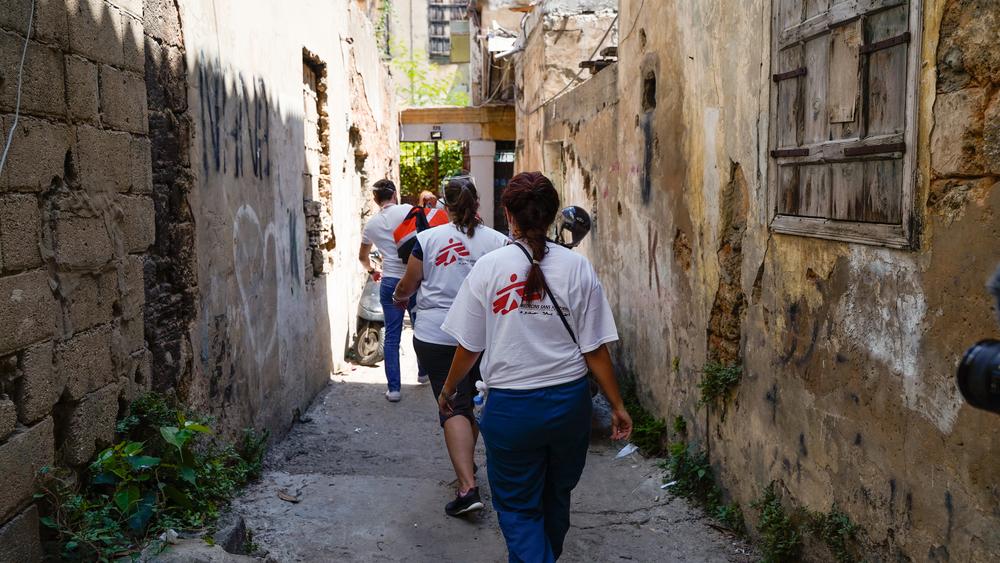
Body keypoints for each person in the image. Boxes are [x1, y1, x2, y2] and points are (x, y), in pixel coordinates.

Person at [437, 171, 633, 562]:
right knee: (555, 495)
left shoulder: (490, 268)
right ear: (551, 215)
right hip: (568, 405)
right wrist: (617, 405)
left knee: (518, 507)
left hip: (512, 410)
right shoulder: (578, 269)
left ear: (508, 214)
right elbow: (595, 349)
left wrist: (448, 389)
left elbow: (469, 346)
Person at [392, 176, 509, 517]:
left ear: (443, 203)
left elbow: (409, 284)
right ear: (477, 201)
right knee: (470, 401)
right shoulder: (498, 242)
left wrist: (399, 296)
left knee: (453, 405)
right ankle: (468, 471)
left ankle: (467, 486)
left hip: (437, 335)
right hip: (484, 335)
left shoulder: (426, 240)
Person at [358, 179, 427, 402]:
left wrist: (372, 271)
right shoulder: (408, 210)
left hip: (390, 283)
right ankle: (423, 372)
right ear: (395, 194)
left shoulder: (371, 225)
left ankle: (394, 389)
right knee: (421, 327)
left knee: (392, 336)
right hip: (414, 279)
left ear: (376, 200)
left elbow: (362, 257)